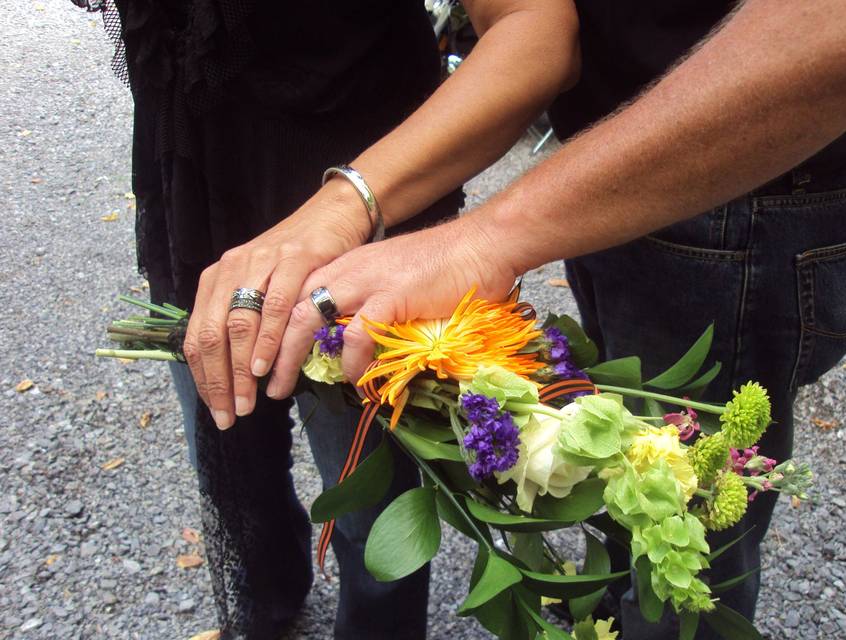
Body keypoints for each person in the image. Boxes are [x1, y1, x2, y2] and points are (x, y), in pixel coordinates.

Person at [266, 0, 846, 637]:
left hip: (745, 199)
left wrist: (484, 237)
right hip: (610, 184)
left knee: (690, 526)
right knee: (634, 455)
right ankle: (620, 601)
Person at [75, 0, 579, 638]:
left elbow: (537, 27)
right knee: (231, 459)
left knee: (370, 501)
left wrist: (349, 206)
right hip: (192, 203)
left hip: (366, 232)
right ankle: (268, 599)